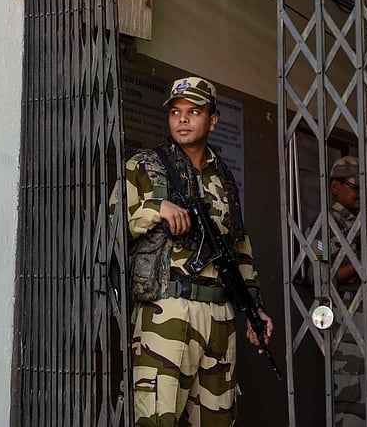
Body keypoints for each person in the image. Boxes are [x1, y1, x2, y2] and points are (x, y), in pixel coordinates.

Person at [117, 76, 274, 426]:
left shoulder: (225, 178)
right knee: (156, 418)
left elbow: (239, 248)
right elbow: (108, 225)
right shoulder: (144, 166)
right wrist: (155, 208)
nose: (183, 119)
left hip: (220, 313)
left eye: (193, 112)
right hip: (167, 309)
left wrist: (255, 307)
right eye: (175, 112)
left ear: (212, 121)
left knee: (218, 420)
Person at [328, 155, 365, 426]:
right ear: (335, 186)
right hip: (346, 325)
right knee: (349, 404)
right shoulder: (327, 224)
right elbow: (321, 276)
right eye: (354, 186)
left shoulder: (366, 222)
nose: (360, 192)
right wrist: (363, 264)